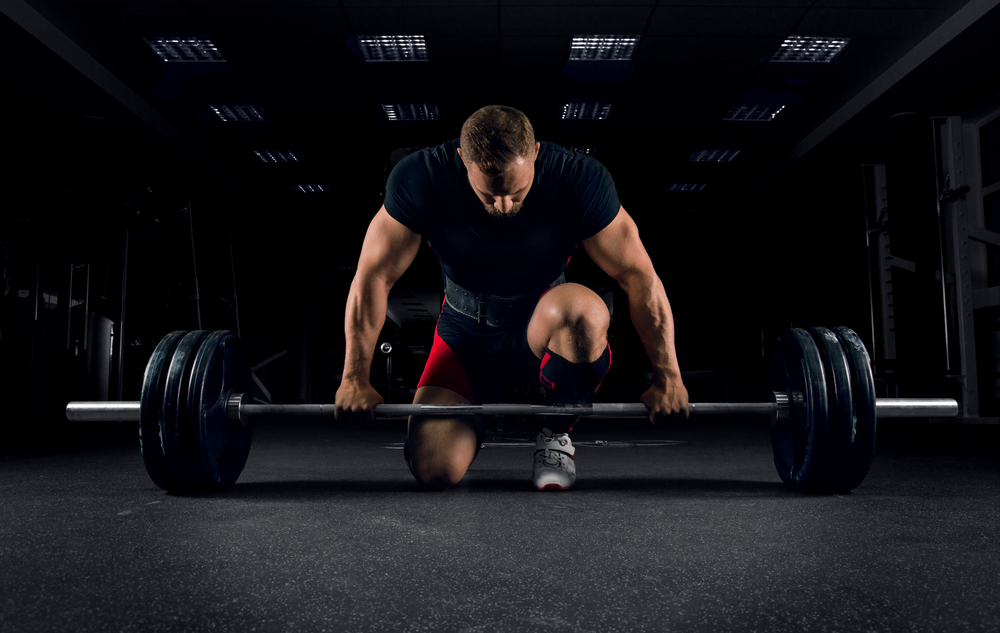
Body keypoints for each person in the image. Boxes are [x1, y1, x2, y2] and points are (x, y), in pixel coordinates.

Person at [334, 105, 689, 490]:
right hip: (465, 333)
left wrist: (668, 375)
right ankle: (468, 422)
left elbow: (638, 277)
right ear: (462, 161)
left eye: (516, 191)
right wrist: (354, 376)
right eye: (489, 195)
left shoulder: (577, 178)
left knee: (585, 314)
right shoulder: (422, 177)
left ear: (535, 153)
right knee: (435, 469)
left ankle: (556, 436)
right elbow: (374, 276)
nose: (503, 206)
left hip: (542, 324)